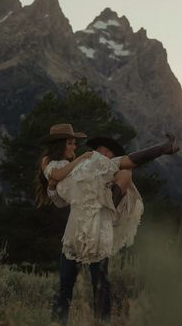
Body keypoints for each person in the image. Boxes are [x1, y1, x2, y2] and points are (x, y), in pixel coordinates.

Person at [36, 124, 179, 325]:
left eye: (74, 143)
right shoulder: (52, 165)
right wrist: (75, 164)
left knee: (100, 284)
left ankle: (165, 147)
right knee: (66, 285)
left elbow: (125, 164)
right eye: (70, 143)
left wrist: (85, 163)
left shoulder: (79, 168)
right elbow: (59, 193)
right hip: (76, 232)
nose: (74, 147)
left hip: (97, 229)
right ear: (58, 145)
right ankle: (58, 323)